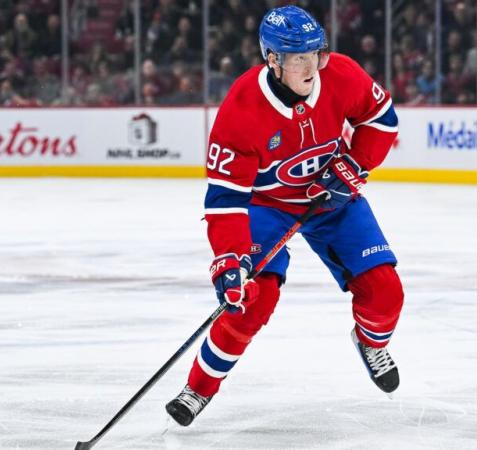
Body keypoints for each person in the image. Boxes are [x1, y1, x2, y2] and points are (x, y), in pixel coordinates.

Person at [166, 5, 404, 426]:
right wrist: (230, 259)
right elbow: (226, 201)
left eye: (316, 54)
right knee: (251, 301)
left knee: (386, 292)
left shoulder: (341, 74)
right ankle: (198, 388)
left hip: (331, 198)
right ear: (273, 60)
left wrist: (355, 164)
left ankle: (369, 342)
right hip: (266, 206)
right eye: (298, 58)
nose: (312, 66)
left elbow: (382, 121)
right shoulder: (240, 111)